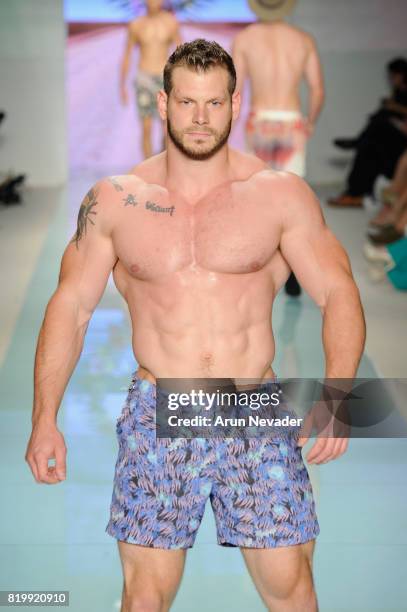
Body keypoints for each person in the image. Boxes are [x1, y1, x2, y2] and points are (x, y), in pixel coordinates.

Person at [25, 39, 365, 612]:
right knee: (144, 598)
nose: (201, 118)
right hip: (159, 411)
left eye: (214, 102)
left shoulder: (279, 195)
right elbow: (71, 309)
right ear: (162, 104)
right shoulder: (115, 201)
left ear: (236, 103)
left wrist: (338, 392)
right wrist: (43, 418)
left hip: (253, 408)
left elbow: (337, 291)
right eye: (187, 103)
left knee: (292, 591)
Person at [232, 0, 324, 296]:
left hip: (259, 122)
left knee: (257, 196)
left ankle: (258, 269)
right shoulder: (302, 40)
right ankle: (295, 269)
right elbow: (317, 88)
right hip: (291, 121)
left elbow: (235, 90)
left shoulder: (245, 39)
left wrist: (228, 128)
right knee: (293, 197)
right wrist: (309, 121)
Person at [329, 58, 407, 208]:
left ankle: (355, 193)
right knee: (369, 146)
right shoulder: (398, 90)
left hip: (401, 140)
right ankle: (354, 193)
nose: (391, 79)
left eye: (393, 76)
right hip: (394, 136)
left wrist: (395, 107)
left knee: (377, 130)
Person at [120, 0, 182, 159]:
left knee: (168, 128)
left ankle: (162, 163)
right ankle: (148, 170)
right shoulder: (136, 25)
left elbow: (181, 52)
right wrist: (122, 86)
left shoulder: (170, 22)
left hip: (164, 79)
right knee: (146, 128)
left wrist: (183, 81)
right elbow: (127, 55)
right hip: (144, 79)